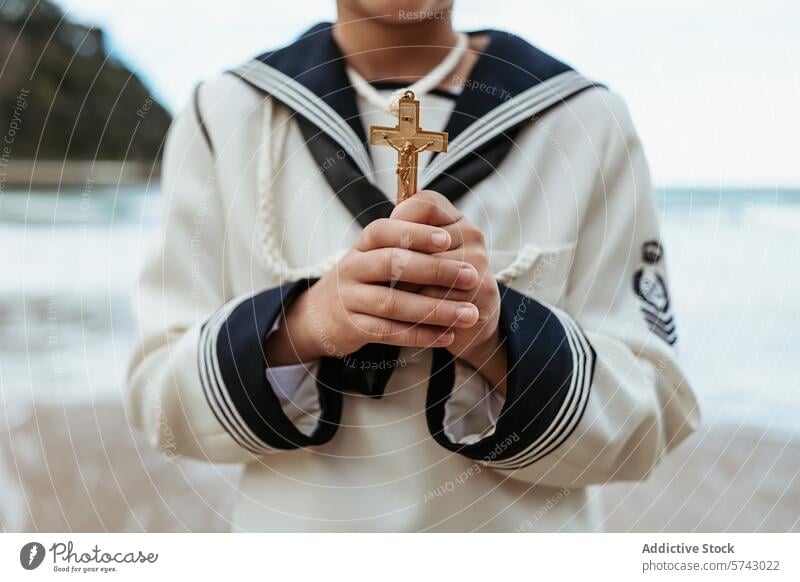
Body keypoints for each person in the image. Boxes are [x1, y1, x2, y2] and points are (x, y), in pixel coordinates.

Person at [127, 0, 699, 532]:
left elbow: (653, 414)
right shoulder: (227, 114)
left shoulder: (584, 120)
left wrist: (496, 337)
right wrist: (305, 326)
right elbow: (159, 400)